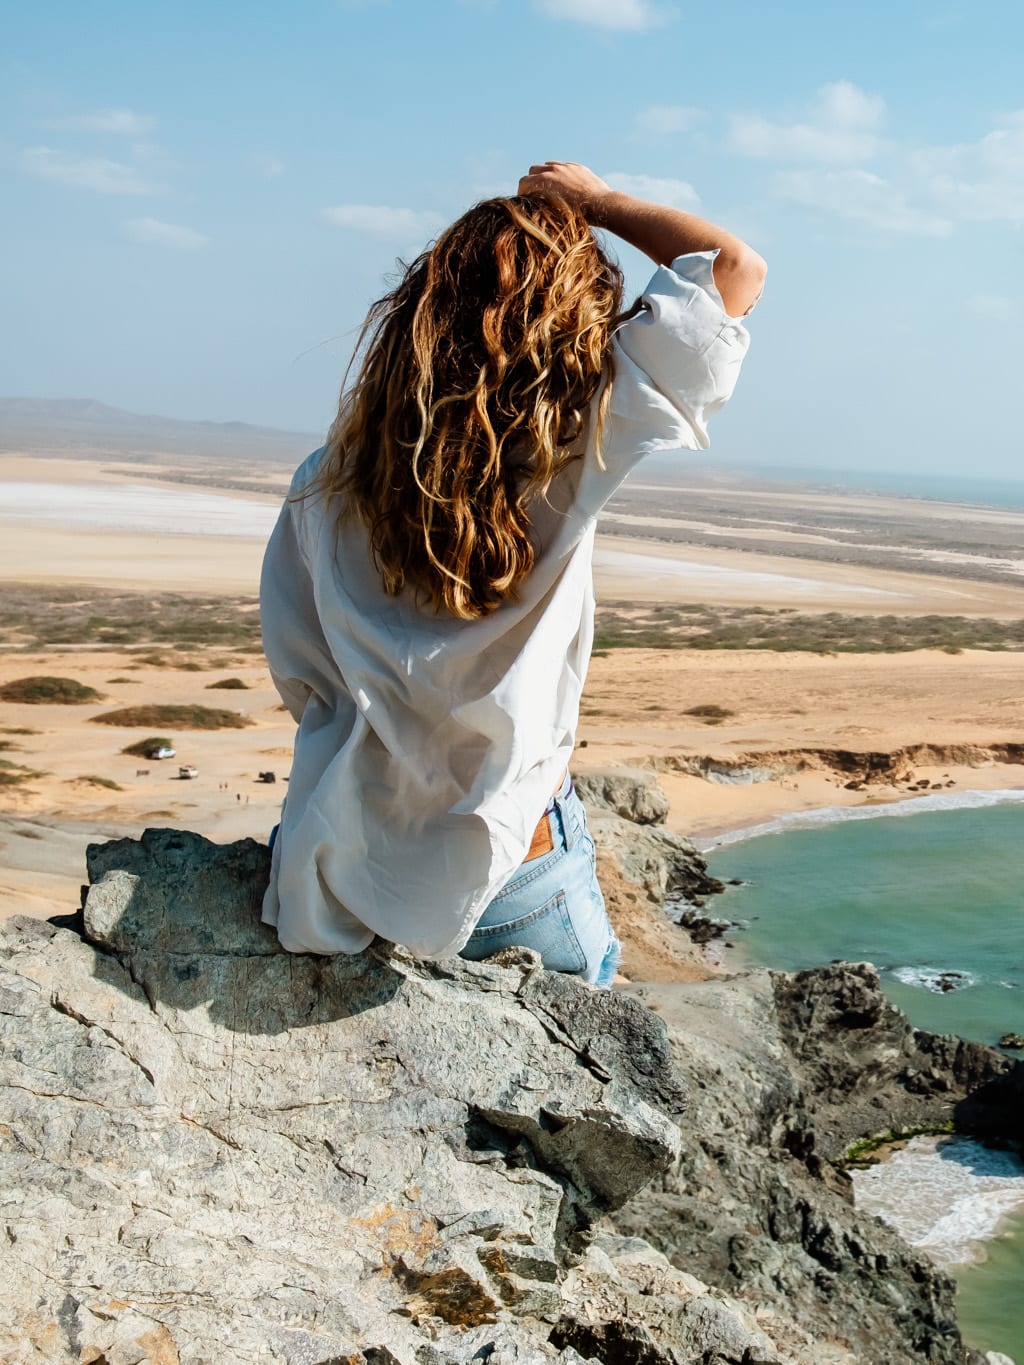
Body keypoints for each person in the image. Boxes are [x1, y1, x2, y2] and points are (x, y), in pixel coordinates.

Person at [259, 162, 764, 988]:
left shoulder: (327, 479)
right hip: (514, 862)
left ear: (417, 313)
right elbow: (735, 271)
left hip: (343, 853)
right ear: (576, 327)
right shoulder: (580, 447)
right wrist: (594, 202)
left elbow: (303, 673)